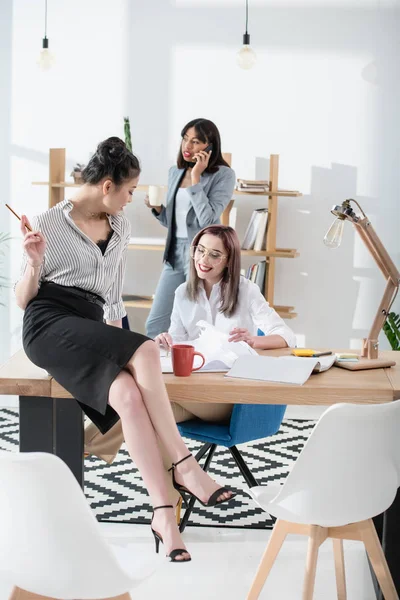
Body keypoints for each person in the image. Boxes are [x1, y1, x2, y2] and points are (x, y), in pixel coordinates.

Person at [14, 138, 235, 564]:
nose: (133, 199)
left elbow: (112, 302)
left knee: (131, 396)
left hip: (91, 324)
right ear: (108, 186)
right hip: (48, 324)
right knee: (149, 350)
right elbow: (25, 300)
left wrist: (122, 353)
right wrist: (34, 261)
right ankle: (187, 467)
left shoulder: (121, 226)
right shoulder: (47, 223)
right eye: (130, 191)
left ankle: (163, 516)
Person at [84, 224, 296, 506]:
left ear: (228, 260)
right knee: (145, 409)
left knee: (148, 399)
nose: (204, 261)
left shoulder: (246, 290)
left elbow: (287, 337)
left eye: (215, 255)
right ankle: (171, 498)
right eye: (201, 251)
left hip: (229, 401)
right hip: (191, 394)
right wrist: (165, 342)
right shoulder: (184, 291)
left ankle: (82, 445)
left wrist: (253, 341)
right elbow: (180, 341)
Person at [144, 118, 236, 339]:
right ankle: (158, 371)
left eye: (195, 141)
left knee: (195, 325)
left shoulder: (224, 175)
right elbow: (172, 223)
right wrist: (157, 209)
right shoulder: (175, 172)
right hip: (174, 254)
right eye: (185, 139)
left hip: (201, 255)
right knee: (155, 325)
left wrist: (196, 178)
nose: (187, 146)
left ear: (209, 146)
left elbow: (208, 222)